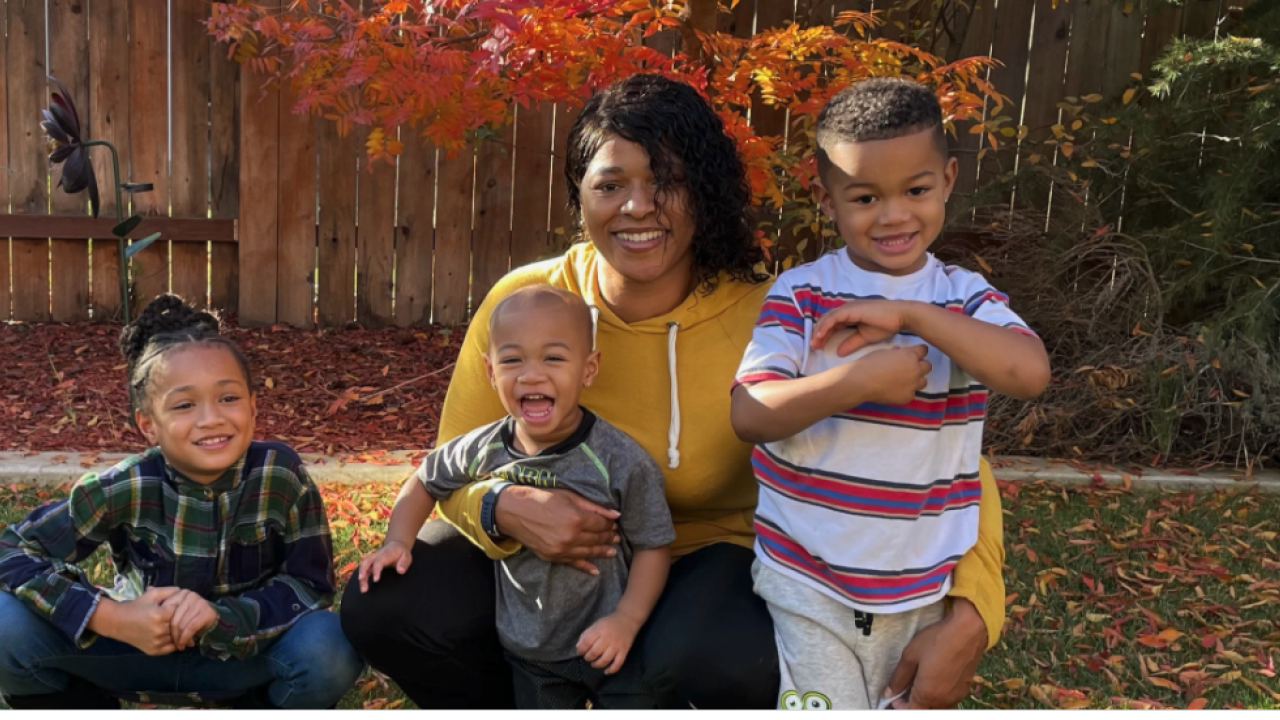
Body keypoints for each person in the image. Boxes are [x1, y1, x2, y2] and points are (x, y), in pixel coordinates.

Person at [340, 73, 1009, 709]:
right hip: (547, 564)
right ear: (580, 195)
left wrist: (975, 609)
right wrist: (503, 507)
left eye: (668, 182)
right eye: (612, 184)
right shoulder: (526, 304)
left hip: (710, 565)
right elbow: (455, 461)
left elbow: (943, 452)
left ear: (706, 193)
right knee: (391, 605)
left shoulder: (777, 312)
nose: (639, 207)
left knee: (710, 654)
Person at [730, 77, 1051, 710]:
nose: (895, 214)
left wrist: (913, 315)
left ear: (949, 180)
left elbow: (1029, 373)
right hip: (808, 581)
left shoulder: (963, 299)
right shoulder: (801, 293)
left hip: (924, 586)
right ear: (827, 199)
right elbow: (749, 413)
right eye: (866, 196)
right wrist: (859, 382)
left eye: (917, 190)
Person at [0, 295, 363, 709]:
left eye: (228, 398)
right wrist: (109, 616)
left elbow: (311, 587)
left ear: (253, 406)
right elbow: (12, 549)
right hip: (130, 652)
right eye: (185, 405)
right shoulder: (123, 485)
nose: (211, 418)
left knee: (327, 646)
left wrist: (223, 618)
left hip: (239, 658)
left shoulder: (281, 475)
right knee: (4, 623)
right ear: (148, 425)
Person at [354, 285, 674, 709]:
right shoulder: (482, 448)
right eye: (512, 360)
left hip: (612, 645)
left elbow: (655, 545)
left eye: (554, 358)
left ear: (589, 368)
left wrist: (627, 620)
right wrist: (397, 540)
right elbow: (425, 481)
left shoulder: (618, 459)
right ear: (490, 371)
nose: (531, 375)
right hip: (531, 653)